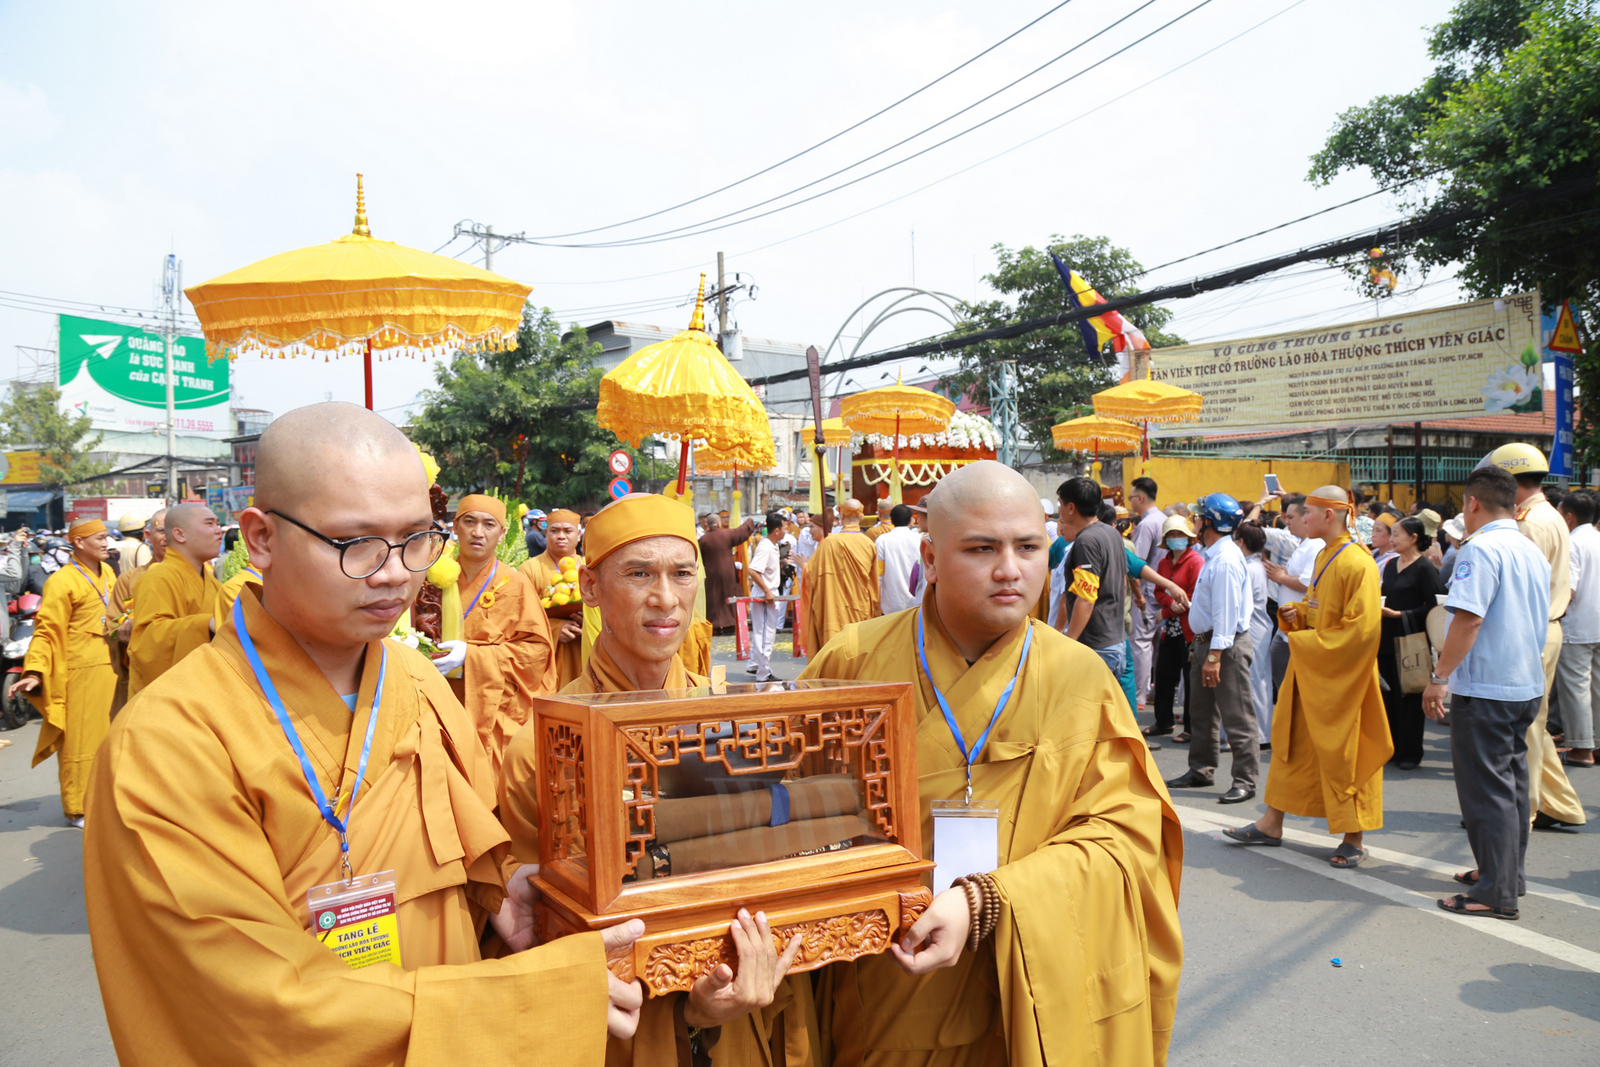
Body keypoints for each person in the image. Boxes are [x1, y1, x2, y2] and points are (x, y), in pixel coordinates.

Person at [83, 403, 641, 1065]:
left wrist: (500, 888)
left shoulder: (417, 679)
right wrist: (523, 1001)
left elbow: (462, 830)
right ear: (260, 539)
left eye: (416, 538)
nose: (394, 572)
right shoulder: (167, 742)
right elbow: (254, 1006)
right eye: (356, 542)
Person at [797, 460, 1183, 1065]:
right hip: (884, 985)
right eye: (981, 549)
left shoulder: (1081, 677)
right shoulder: (853, 663)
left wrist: (988, 900)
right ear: (930, 558)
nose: (1009, 570)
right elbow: (786, 823)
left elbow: (1129, 844)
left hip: (1029, 998)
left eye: (1028, 547)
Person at [499, 493, 809, 1067]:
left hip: (748, 999)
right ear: (590, 587)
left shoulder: (735, 719)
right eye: (639, 574)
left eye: (682, 574)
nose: (666, 598)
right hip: (622, 1031)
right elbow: (536, 930)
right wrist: (687, 1013)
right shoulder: (541, 747)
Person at [1227, 486, 1391, 867]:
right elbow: (1319, 608)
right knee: (1293, 746)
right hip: (1313, 670)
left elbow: (1362, 632)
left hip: (1344, 678)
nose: (1301, 519)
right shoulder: (1325, 555)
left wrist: (1304, 641)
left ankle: (1353, 837)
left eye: (1308, 513)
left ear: (1328, 515)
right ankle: (1272, 822)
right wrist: (1298, 614)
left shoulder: (1358, 563)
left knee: (1345, 755)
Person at [1423, 465, 1551, 919]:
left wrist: (1439, 676)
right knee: (1511, 785)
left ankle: (1496, 892)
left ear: (1473, 503)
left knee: (1486, 791)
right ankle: (1505, 875)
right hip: (1522, 682)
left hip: (1488, 686)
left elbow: (1468, 619)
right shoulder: (1528, 547)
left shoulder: (1480, 549)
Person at [1477, 444, 1588, 829]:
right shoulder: (1547, 514)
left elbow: (1518, 587)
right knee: (1533, 724)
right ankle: (1561, 805)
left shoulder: (1528, 523)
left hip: (1530, 631)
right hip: (1545, 628)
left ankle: (1522, 810)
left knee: (1521, 727)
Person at [8, 518, 116, 828]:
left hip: (112, 666)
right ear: (79, 542)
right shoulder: (61, 581)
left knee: (110, 738)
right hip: (80, 671)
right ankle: (78, 807)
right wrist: (34, 672)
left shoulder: (109, 573)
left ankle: (107, 798)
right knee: (81, 740)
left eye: (106, 537)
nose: (106, 543)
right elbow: (46, 631)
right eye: (100, 538)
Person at [452, 493, 558, 777]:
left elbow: (536, 653)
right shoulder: (434, 578)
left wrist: (470, 656)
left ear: (501, 535)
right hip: (440, 699)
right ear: (455, 526)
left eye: (489, 525)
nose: (477, 532)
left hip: (494, 706)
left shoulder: (517, 584)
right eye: (469, 522)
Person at [1164, 493, 1259, 804]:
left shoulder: (1226, 559)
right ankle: (1201, 770)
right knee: (1202, 713)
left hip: (1224, 646)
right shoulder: (1214, 553)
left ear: (1209, 522)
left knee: (1237, 716)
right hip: (1208, 643)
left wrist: (1215, 656)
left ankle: (1245, 780)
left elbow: (1226, 612)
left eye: (1198, 516)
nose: (1194, 521)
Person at [126, 502, 223, 699]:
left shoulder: (214, 584)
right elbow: (148, 642)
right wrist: (205, 625)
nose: (218, 531)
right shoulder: (158, 578)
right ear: (180, 534)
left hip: (204, 693)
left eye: (218, 524)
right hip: (166, 698)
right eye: (209, 524)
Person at [1378, 516, 1447, 769]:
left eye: (1396, 534)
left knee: (1409, 696)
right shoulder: (1391, 564)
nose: (1392, 539)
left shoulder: (1425, 568)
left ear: (1414, 538)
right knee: (1387, 695)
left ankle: (1409, 752)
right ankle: (1390, 748)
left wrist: (1401, 614)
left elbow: (1435, 606)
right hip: (1386, 637)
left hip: (1412, 640)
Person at [1053, 478, 1129, 693]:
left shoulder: (1086, 541)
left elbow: (1086, 597)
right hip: (1114, 640)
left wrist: (1070, 642)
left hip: (1096, 647)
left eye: (1060, 504)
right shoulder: (1111, 533)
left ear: (1070, 508)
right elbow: (1122, 583)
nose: (1059, 510)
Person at [798, 498, 878, 658]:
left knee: (834, 655)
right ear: (862, 517)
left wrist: (805, 567)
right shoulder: (869, 543)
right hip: (859, 610)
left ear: (841, 516)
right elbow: (874, 586)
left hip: (833, 613)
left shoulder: (829, 543)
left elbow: (813, 575)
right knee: (857, 654)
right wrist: (876, 611)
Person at [1262, 495, 1323, 705]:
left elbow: (1307, 583)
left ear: (1306, 517)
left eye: (1291, 517)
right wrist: (1283, 574)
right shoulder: (1303, 544)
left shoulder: (1315, 545)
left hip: (1299, 625)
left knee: (1295, 684)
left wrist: (1281, 577)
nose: (1286, 522)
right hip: (1288, 625)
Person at [1554, 490, 1599, 767]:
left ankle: (1582, 749)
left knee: (1576, 688)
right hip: (1596, 622)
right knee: (1597, 688)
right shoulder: (1597, 538)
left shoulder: (1572, 543)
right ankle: (1596, 743)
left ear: (1569, 517)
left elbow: (1567, 589)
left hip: (1578, 625)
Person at [1148, 515, 1202, 742]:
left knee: (1190, 679)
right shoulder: (1164, 562)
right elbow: (1158, 591)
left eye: (1179, 534)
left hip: (1188, 628)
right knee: (1164, 675)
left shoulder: (1195, 561)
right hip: (1169, 628)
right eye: (1171, 535)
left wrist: (1169, 609)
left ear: (1188, 537)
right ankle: (1163, 721)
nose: (1176, 538)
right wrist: (1170, 604)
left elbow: (1194, 596)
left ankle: (1190, 727)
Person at [109, 509, 166, 716]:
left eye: (175, 530)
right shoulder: (128, 580)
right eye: (162, 531)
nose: (169, 537)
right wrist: (125, 629)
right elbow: (111, 628)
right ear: (148, 535)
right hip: (141, 678)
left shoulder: (204, 577)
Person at [519, 508, 585, 687]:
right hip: (547, 658)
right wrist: (555, 628)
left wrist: (589, 622)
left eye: (568, 531)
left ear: (578, 535)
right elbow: (521, 617)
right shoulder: (529, 569)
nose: (561, 536)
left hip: (584, 652)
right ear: (546, 533)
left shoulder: (590, 568)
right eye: (555, 531)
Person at [1235, 521, 1275, 749]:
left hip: (1253, 628)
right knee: (1257, 680)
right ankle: (1260, 733)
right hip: (1258, 626)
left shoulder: (1250, 568)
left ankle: (1259, 734)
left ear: (1242, 542)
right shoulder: (1256, 565)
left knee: (1254, 680)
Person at [1129, 476, 1166, 712]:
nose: (1130, 501)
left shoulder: (1146, 525)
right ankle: (1152, 691)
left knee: (1141, 643)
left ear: (1140, 498)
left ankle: (1139, 695)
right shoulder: (1163, 519)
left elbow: (1137, 564)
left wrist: (1137, 594)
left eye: (1131, 497)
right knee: (1157, 646)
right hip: (1163, 591)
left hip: (1147, 592)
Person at [700, 512, 758, 634]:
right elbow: (741, 533)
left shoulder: (703, 540)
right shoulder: (726, 534)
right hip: (728, 573)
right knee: (730, 595)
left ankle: (714, 626)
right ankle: (731, 624)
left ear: (708, 524)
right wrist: (749, 522)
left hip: (711, 575)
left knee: (713, 598)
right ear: (719, 522)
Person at [747, 511, 785, 682]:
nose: (786, 531)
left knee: (764, 632)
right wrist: (767, 590)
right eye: (784, 528)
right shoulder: (765, 546)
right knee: (765, 634)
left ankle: (755, 664)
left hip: (769, 591)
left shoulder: (772, 545)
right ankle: (763, 673)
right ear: (776, 530)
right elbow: (753, 570)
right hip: (764, 594)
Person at [875, 502, 924, 616]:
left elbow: (878, 575)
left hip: (891, 603)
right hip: (916, 601)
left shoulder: (882, 541)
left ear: (891, 520)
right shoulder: (919, 539)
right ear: (911, 520)